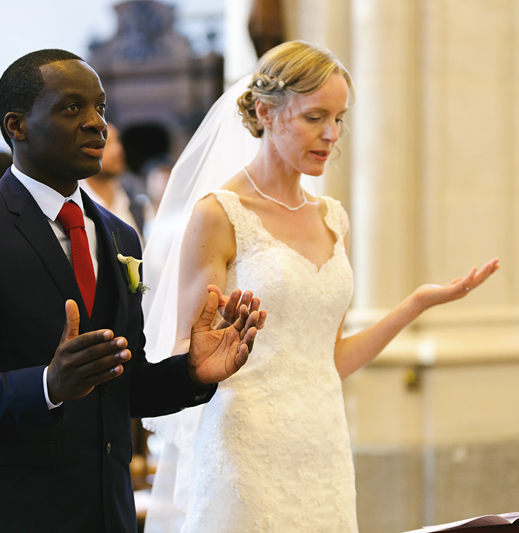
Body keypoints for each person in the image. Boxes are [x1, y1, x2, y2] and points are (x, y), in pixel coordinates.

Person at [142, 40, 500, 532]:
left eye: (339, 118)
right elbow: (189, 354)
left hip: (323, 444)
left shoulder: (332, 217)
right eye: (315, 117)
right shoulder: (219, 214)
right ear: (266, 111)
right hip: (247, 443)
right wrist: (217, 347)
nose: (332, 134)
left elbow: (326, 362)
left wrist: (416, 304)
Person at [0, 48, 264, 532]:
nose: (96, 123)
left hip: (106, 511)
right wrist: (46, 386)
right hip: (12, 513)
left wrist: (193, 373)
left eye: (100, 108)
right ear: (16, 126)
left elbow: (122, 384)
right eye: (71, 108)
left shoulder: (120, 236)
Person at [82, 123, 148, 237]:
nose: (118, 149)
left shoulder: (133, 200)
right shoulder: (76, 202)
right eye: (106, 143)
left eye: (118, 141)